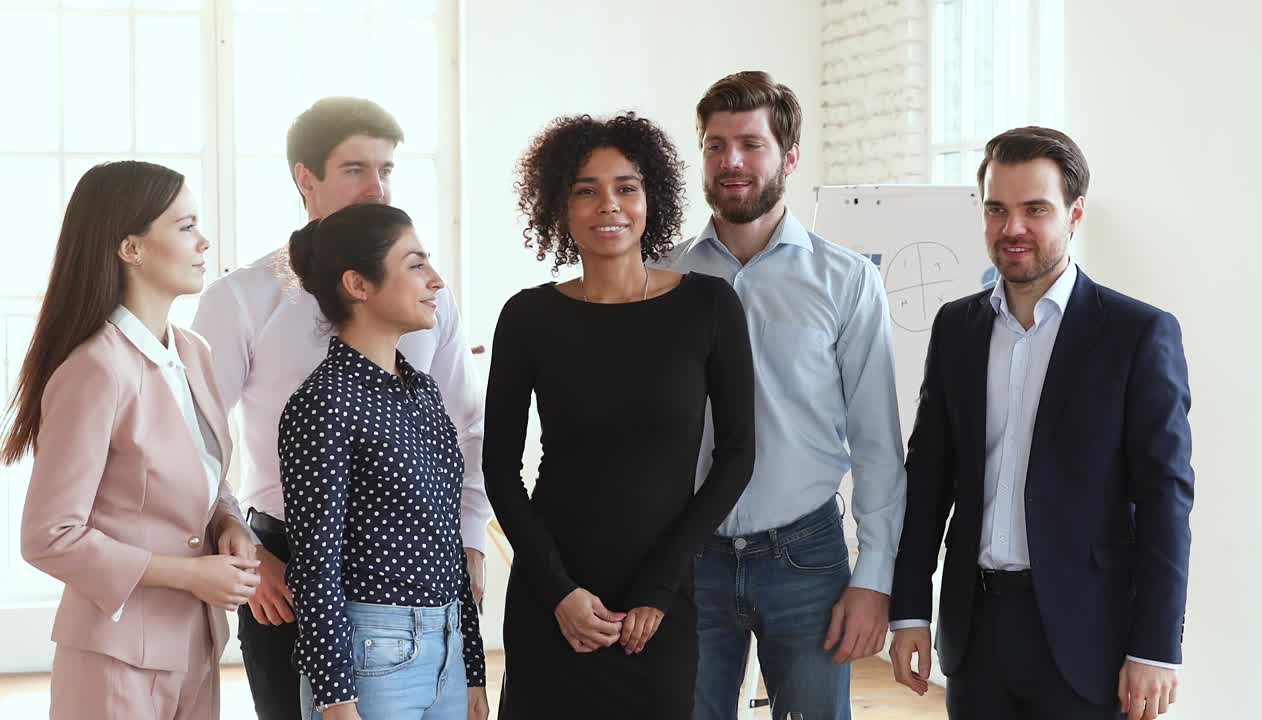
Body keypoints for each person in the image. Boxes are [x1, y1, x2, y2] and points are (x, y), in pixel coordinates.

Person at [191, 97, 492, 720]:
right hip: (285, 563)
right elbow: (193, 447)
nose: (376, 187)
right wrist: (249, 552)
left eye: (387, 169)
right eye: (356, 168)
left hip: (421, 564)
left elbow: (466, 428)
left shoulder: (426, 297)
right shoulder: (243, 298)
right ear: (307, 179)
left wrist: (467, 545)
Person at [888, 126, 1193, 720]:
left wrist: (1157, 647)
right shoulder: (957, 328)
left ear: (1075, 215)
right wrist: (909, 612)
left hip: (1089, 637)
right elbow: (928, 479)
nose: (1013, 229)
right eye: (997, 209)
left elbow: (1165, 499)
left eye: (1036, 209)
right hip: (975, 633)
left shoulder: (1136, 335)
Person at [483, 112, 756, 719]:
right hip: (552, 597)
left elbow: (738, 455)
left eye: (625, 187)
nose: (608, 205)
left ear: (650, 198)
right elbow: (499, 469)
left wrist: (659, 590)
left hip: (658, 600)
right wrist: (559, 593)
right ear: (560, 207)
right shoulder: (529, 317)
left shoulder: (708, 306)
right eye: (586, 190)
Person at [662, 71, 907, 720]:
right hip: (690, 556)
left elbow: (879, 442)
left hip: (806, 557)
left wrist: (875, 575)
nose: (731, 161)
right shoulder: (663, 277)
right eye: (715, 145)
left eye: (751, 143)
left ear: (790, 156)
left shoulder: (847, 281)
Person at [3, 160, 260, 720]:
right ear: (132, 249)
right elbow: (48, 535)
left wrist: (229, 524)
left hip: (195, 646)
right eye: (186, 226)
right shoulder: (96, 368)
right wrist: (189, 574)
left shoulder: (194, 352)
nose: (204, 241)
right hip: (112, 657)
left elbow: (206, 480)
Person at [281, 202, 487, 720]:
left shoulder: (421, 390)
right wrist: (335, 699)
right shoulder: (324, 401)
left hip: (447, 645)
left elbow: (446, 534)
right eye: (416, 264)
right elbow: (314, 567)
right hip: (372, 654)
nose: (435, 280)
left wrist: (472, 670)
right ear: (359, 284)